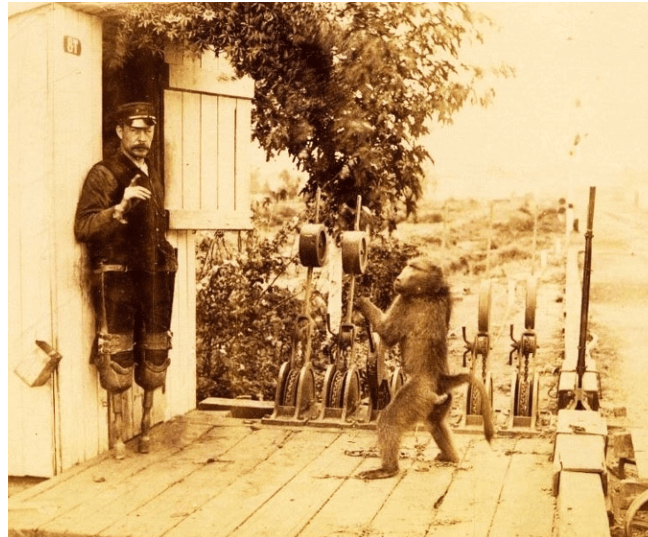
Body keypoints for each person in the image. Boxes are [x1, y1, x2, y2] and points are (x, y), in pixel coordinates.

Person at [74, 102, 177, 459]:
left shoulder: (152, 174)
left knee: (155, 352)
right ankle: (118, 438)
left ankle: (145, 430)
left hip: (153, 276)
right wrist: (118, 208)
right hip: (118, 277)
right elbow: (83, 226)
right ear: (120, 131)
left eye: (148, 130)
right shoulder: (103, 174)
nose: (142, 137)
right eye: (135, 129)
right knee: (117, 356)